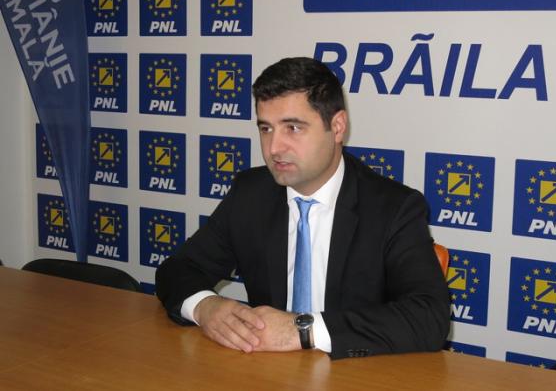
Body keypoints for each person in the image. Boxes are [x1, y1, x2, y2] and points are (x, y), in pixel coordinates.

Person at [156, 57, 450, 359]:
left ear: (337, 127)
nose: (274, 148)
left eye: (293, 128)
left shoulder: (393, 208)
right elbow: (177, 270)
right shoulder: (251, 194)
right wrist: (205, 306)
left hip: (355, 372)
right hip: (267, 370)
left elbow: (430, 316)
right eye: (266, 129)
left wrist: (302, 330)